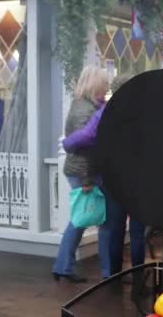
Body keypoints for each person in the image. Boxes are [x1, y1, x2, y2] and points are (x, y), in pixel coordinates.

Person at [62, 74, 146, 276]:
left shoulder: (106, 112)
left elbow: (86, 136)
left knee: (115, 228)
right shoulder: (144, 110)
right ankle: (138, 275)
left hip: (115, 177)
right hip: (139, 178)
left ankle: (114, 274)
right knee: (137, 232)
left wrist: (67, 144)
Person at [52, 66, 110, 282]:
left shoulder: (84, 105)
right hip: (83, 172)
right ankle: (68, 267)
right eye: (104, 83)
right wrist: (86, 181)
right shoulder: (84, 110)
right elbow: (85, 148)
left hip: (82, 170)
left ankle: (63, 266)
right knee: (84, 221)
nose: (106, 87)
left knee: (81, 220)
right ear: (95, 83)